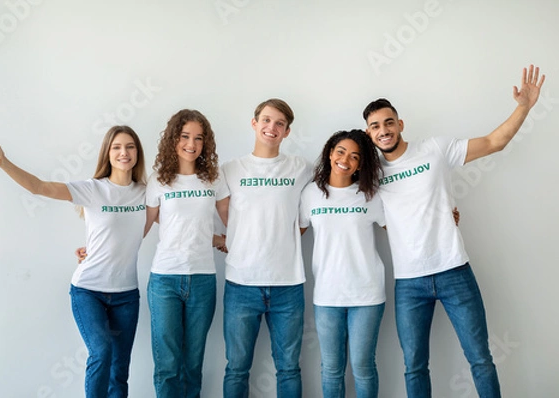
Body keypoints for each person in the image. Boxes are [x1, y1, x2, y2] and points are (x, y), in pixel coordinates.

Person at [361, 64, 545, 398]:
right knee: (414, 366)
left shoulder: (434, 149)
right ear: (369, 134)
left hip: (454, 271)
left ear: (400, 124)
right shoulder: (372, 177)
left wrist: (523, 107)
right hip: (409, 283)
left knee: (480, 359)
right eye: (375, 126)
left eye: (389, 122)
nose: (384, 130)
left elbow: (494, 142)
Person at [0, 126, 148, 398]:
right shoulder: (93, 189)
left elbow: (180, 221)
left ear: (137, 152)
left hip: (126, 295)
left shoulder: (145, 193)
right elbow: (39, 187)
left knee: (119, 370)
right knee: (101, 352)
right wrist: (3, 162)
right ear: (108, 153)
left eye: (130, 147)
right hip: (89, 291)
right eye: (116, 147)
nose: (124, 152)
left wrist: (222, 238)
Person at [220, 98, 313, 397]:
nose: (271, 127)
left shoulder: (301, 168)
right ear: (254, 123)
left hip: (287, 284)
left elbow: (337, 188)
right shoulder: (230, 170)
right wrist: (226, 239)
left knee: (288, 369)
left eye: (280, 124)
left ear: (287, 132)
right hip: (241, 284)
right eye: (266, 120)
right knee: (236, 368)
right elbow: (193, 211)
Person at [144, 109, 229, 397]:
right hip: (165, 280)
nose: (191, 144)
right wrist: (95, 248)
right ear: (173, 139)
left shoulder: (214, 180)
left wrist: (225, 239)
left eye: (198, 138)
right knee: (167, 366)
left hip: (203, 280)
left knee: (192, 364)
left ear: (206, 144)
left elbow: (236, 222)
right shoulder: (158, 181)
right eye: (184, 136)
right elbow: (140, 226)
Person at [299, 129, 385, 398]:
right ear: (329, 153)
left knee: (363, 366)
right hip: (327, 296)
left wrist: (444, 219)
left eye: (355, 156)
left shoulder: (370, 195)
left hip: (367, 295)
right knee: (332, 369)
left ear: (361, 164)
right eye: (341, 152)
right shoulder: (310, 194)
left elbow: (402, 228)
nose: (346, 159)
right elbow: (290, 235)